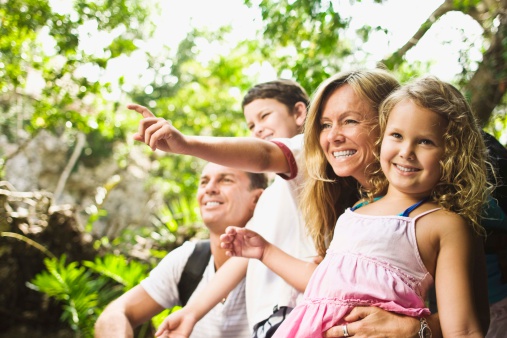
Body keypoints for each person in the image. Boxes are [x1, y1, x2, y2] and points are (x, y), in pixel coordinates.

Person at [130, 69, 489, 337]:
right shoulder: (355, 209)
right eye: (325, 124)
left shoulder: (442, 222)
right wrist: (261, 253)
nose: (333, 135)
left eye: (350, 121)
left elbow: (470, 325)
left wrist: (186, 143)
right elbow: (327, 283)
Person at [130, 79, 316, 338]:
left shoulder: (310, 154)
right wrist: (192, 312)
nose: (259, 129)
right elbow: (243, 257)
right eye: (251, 125)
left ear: (298, 112)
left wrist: (186, 145)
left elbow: (263, 154)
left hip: (297, 314)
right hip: (267, 326)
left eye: (265, 116)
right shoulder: (272, 196)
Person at [93, 162, 267, 338]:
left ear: (258, 199)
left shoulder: (276, 266)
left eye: (226, 180)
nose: (210, 189)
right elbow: (114, 313)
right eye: (204, 182)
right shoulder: (190, 260)